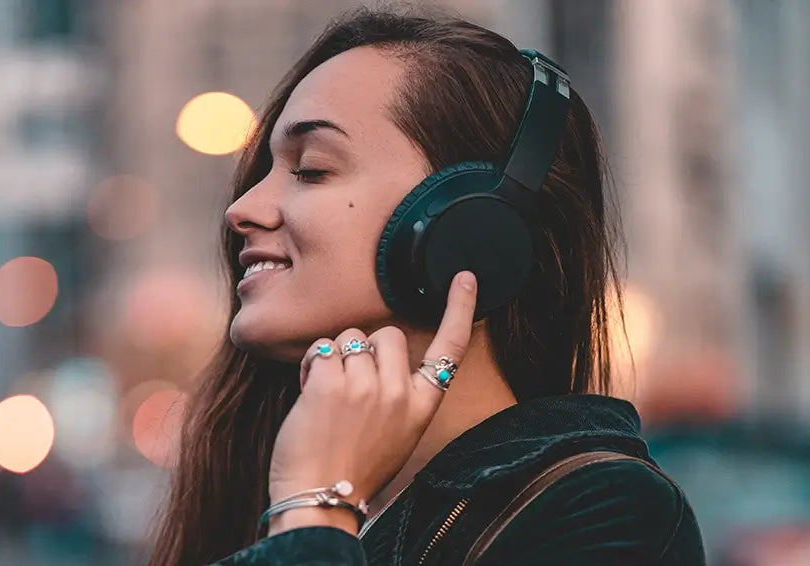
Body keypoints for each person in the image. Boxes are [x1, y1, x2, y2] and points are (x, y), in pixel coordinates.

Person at [148, 7, 705, 566]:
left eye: (311, 169)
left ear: (470, 225)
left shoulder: (603, 510)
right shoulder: (266, 486)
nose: (242, 210)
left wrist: (314, 513)